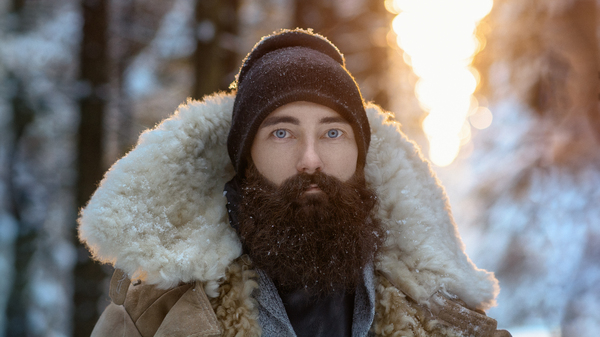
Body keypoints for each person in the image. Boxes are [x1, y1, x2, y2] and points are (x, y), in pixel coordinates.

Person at [79, 29, 511, 337]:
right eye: (281, 133)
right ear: (245, 158)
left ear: (361, 157)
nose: (310, 159)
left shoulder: (439, 319)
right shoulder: (156, 314)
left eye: (333, 132)